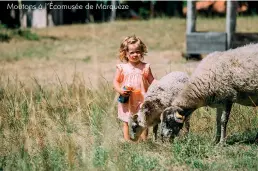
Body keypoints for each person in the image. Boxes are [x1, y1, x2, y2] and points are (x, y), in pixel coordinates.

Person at [113, 35, 155, 142]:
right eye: (132, 52)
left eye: (138, 51)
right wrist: (120, 90)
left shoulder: (145, 67)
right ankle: (128, 142)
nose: (135, 54)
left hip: (142, 99)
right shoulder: (122, 68)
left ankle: (144, 141)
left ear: (142, 52)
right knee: (126, 121)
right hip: (127, 99)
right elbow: (116, 81)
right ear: (126, 53)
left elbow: (152, 81)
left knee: (143, 120)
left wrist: (161, 84)